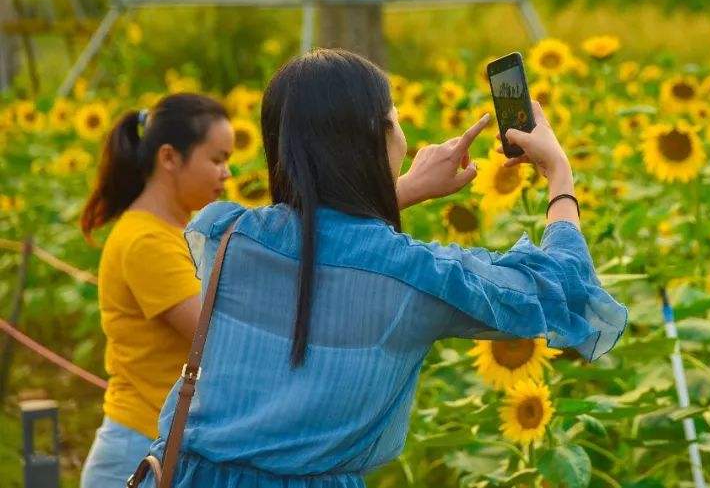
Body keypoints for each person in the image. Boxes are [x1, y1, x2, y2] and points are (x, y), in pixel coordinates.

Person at [137, 48, 627, 487]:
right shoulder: (414, 279)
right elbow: (561, 289)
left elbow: (318, 239)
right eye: (395, 119)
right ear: (380, 137)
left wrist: (405, 189)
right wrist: (558, 173)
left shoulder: (229, 235)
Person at [79, 94, 235, 488]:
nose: (227, 173)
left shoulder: (175, 231)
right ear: (169, 158)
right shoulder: (146, 241)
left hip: (160, 446)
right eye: (216, 159)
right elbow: (217, 335)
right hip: (138, 452)